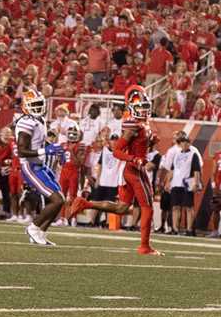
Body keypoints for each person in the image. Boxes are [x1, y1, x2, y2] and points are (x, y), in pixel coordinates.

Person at [64, 86, 163, 255]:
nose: (144, 111)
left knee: (122, 208)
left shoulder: (142, 124)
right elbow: (117, 151)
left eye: (145, 107)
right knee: (147, 207)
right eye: (140, 108)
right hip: (134, 170)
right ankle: (144, 247)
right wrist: (134, 158)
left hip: (132, 170)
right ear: (131, 108)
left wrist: (151, 143)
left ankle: (85, 203)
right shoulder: (133, 126)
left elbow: (139, 146)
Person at [18, 89, 72, 246]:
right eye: (33, 104)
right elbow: (22, 151)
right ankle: (33, 228)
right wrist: (46, 150)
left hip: (40, 164)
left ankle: (40, 232)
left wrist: (54, 147)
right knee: (56, 200)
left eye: (39, 104)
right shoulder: (25, 122)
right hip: (30, 165)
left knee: (60, 200)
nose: (37, 107)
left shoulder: (39, 120)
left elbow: (40, 142)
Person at [159, 132, 202, 236]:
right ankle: (175, 228)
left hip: (187, 184)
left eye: (186, 142)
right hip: (176, 183)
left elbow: (197, 170)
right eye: (182, 142)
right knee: (175, 207)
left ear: (189, 143)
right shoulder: (177, 154)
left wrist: (196, 182)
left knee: (189, 207)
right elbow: (172, 169)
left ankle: (189, 229)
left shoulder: (193, 154)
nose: (184, 144)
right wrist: (168, 182)